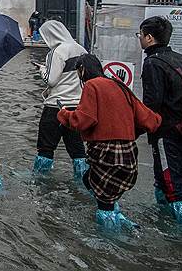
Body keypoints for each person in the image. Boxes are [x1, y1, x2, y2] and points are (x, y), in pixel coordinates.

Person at [58, 54, 161, 229]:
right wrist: (128, 133)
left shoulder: (92, 85)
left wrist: (64, 113)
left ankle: (107, 244)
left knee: (103, 202)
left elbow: (83, 120)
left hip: (106, 153)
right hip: (129, 153)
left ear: (82, 69)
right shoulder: (120, 86)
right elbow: (150, 120)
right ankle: (117, 216)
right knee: (88, 181)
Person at [138, 16, 182, 223]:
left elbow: (152, 104)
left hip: (166, 133)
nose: (139, 38)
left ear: (149, 38)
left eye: (140, 35)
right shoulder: (181, 59)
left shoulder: (152, 63)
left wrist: (135, 130)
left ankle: (176, 230)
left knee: (171, 182)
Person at [33, 20, 89, 178]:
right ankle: (82, 180)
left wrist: (42, 69)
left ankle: (40, 181)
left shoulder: (56, 52)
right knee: (77, 150)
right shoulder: (81, 49)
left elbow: (50, 80)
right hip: (77, 107)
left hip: (55, 107)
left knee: (46, 147)